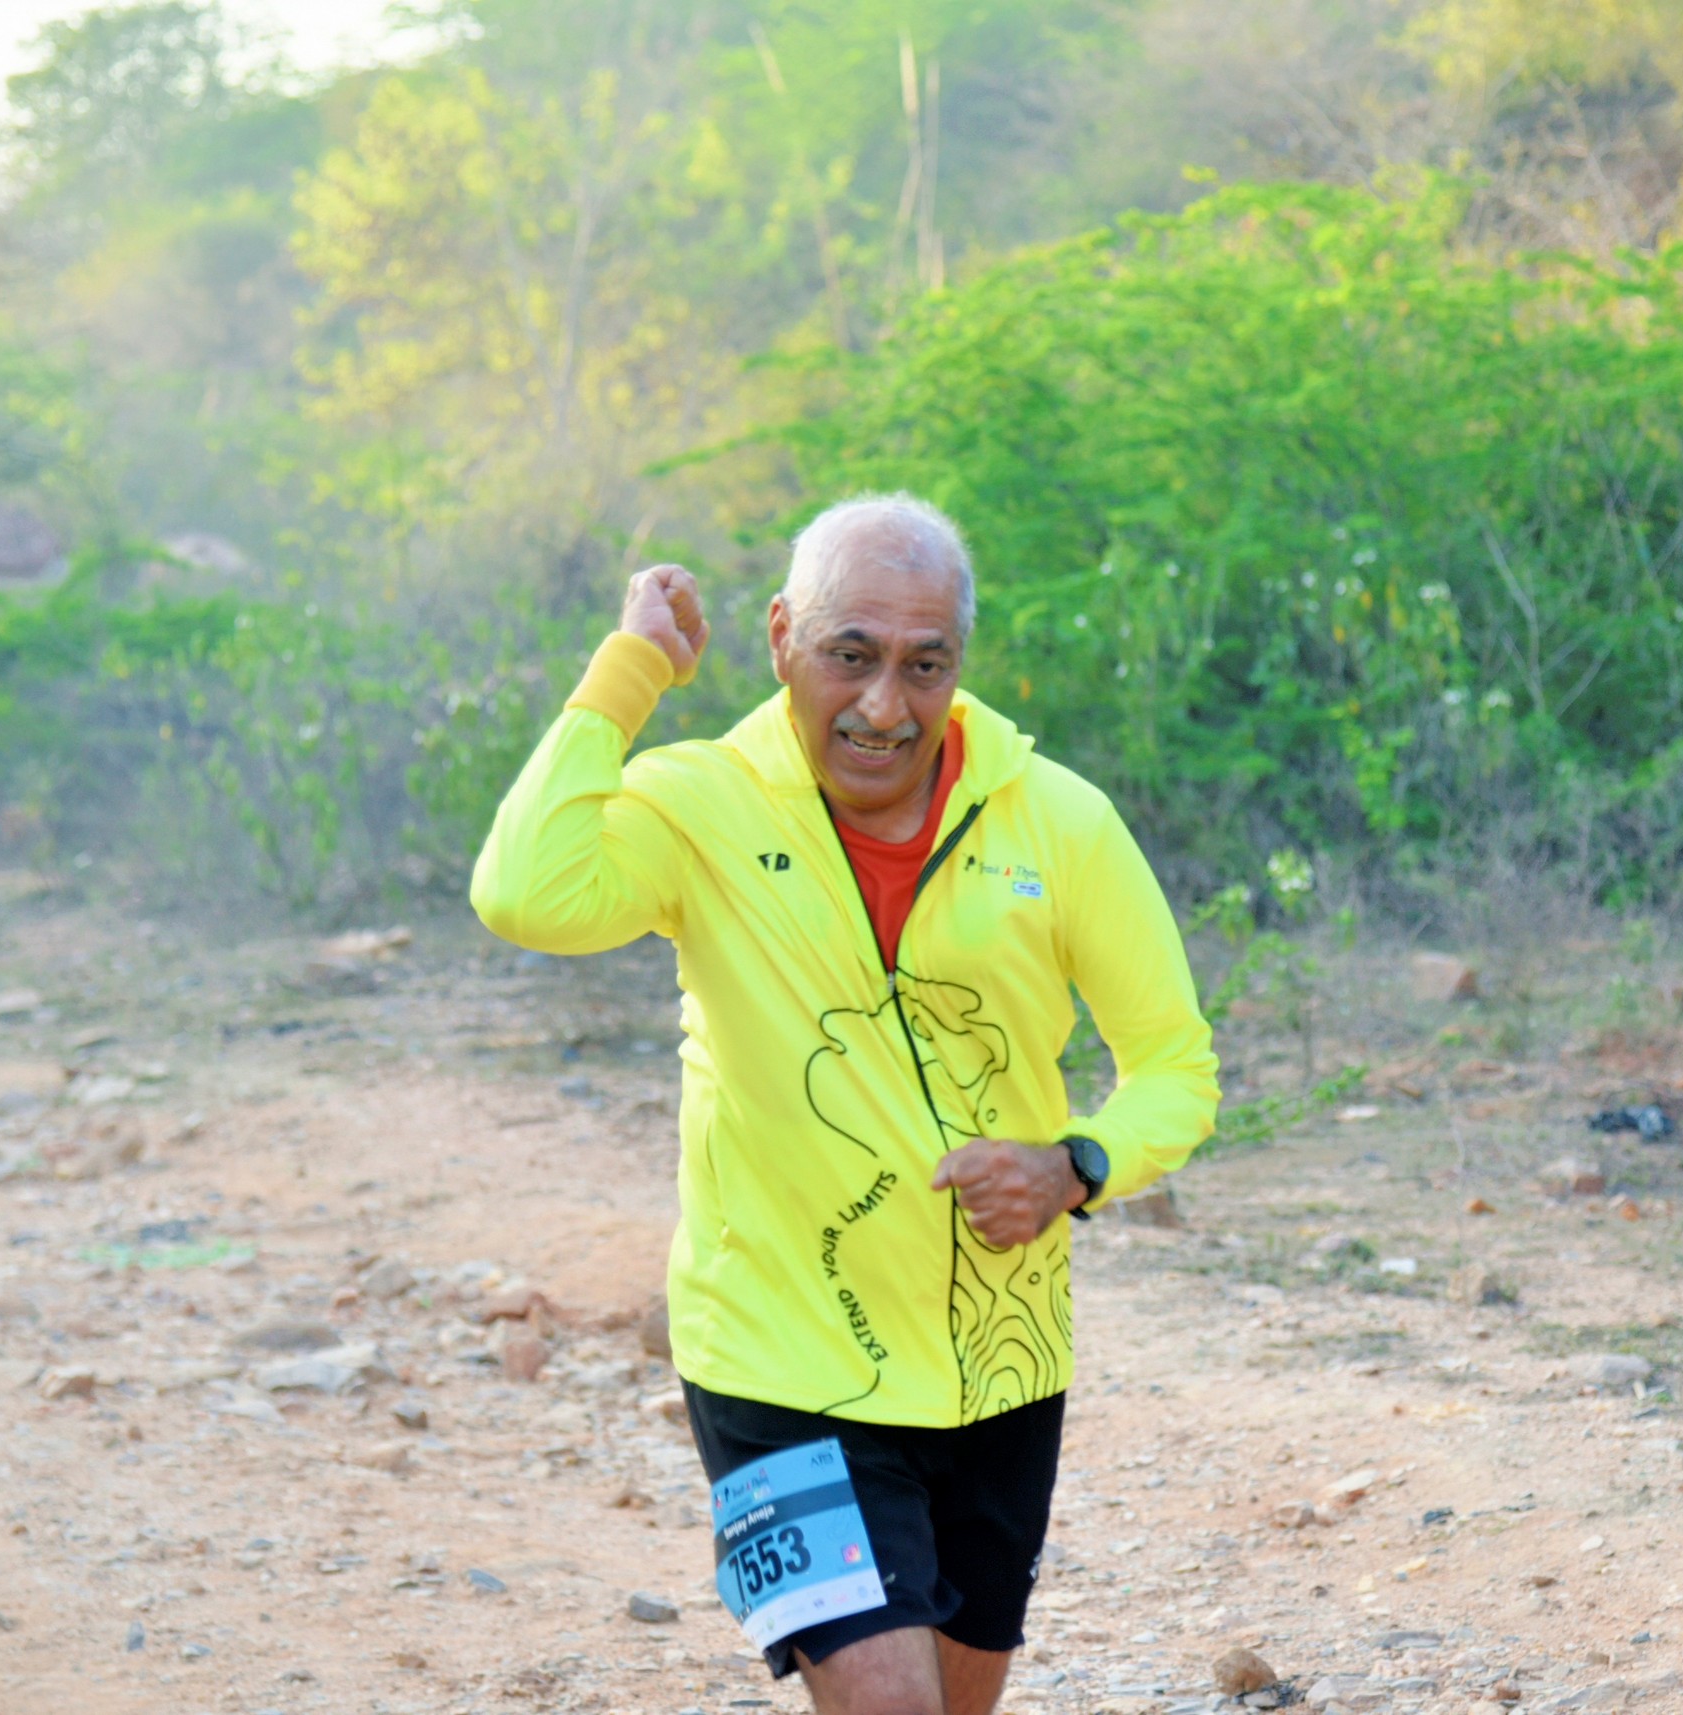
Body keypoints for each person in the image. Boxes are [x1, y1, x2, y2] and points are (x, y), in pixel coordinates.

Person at [471, 494, 1219, 1715]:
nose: (885, 705)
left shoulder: (1059, 821)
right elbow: (523, 892)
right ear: (781, 638)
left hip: (998, 1362)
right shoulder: (700, 805)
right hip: (776, 1364)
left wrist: (1075, 1163)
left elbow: (1176, 1064)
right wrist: (629, 670)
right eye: (850, 654)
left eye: (925, 664)